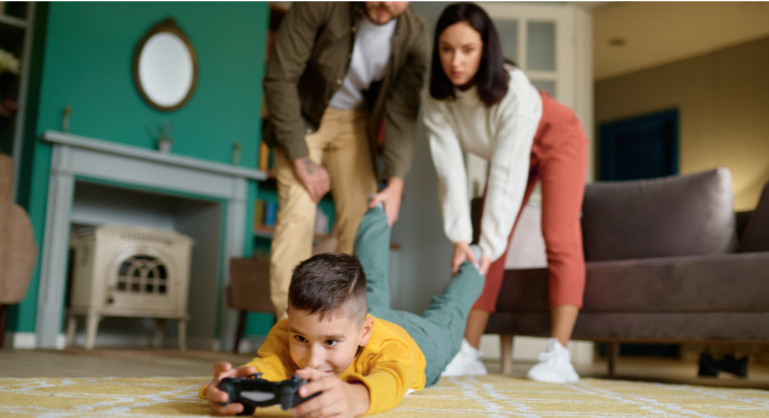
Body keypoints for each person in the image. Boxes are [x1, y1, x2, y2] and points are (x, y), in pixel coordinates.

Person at [422, 3, 588, 383]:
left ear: (486, 50)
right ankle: (470, 350)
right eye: (446, 49)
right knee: (482, 247)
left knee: (558, 236)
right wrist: (462, 239)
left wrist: (487, 241)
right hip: (511, 152)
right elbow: (450, 170)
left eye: (468, 49)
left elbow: (507, 176)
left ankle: (560, 354)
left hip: (556, 136)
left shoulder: (512, 89)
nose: (455, 61)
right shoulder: (436, 98)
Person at [201, 205, 485, 416]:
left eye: (330, 343)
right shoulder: (298, 327)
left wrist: (356, 397)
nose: (312, 359)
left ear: (365, 332)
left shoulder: (391, 352)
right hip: (359, 316)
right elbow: (272, 365)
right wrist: (239, 382)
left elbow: (392, 380)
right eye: (300, 339)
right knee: (367, 280)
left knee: (448, 315)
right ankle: (377, 210)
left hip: (420, 341)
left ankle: (476, 264)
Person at [264, 1, 429, 320]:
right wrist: (300, 157)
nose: (386, 3)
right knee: (298, 214)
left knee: (362, 221)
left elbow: (402, 113)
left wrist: (395, 182)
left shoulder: (414, 33)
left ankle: (342, 330)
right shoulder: (321, 5)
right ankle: (289, 331)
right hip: (301, 119)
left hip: (355, 124)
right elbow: (280, 78)